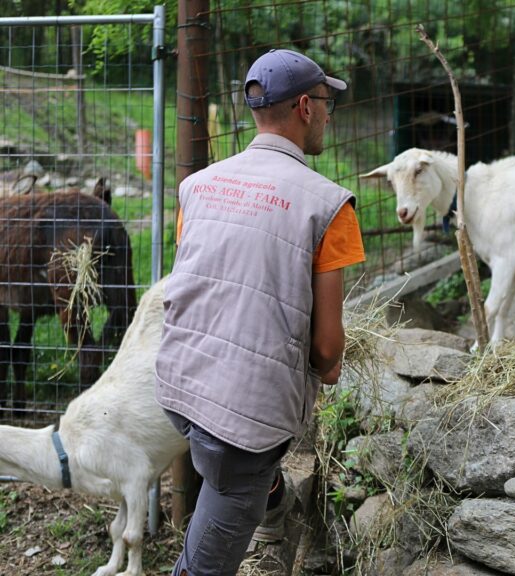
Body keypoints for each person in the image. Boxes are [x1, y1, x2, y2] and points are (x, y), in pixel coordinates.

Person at [156, 48, 364, 575]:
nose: (328, 114)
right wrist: (329, 367)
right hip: (245, 423)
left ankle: (269, 497)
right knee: (207, 558)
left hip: (181, 387)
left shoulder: (198, 187)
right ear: (303, 107)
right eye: (326, 102)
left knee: (236, 468)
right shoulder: (328, 204)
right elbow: (326, 352)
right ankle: (256, 489)